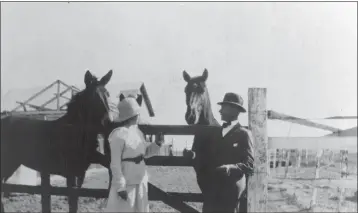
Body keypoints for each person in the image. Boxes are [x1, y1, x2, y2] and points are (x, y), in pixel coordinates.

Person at [104, 96, 164, 212]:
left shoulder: (138, 133)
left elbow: (145, 153)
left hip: (140, 181)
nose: (139, 116)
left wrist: (157, 144)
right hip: (127, 183)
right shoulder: (118, 135)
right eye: (137, 113)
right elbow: (115, 163)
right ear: (132, 115)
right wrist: (121, 186)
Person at [207, 92, 255, 213]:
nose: (220, 111)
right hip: (213, 188)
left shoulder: (244, 134)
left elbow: (249, 164)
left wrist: (230, 167)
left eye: (223, 107)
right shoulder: (216, 133)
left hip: (231, 190)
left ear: (234, 110)